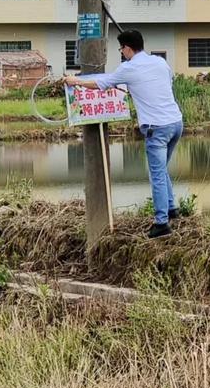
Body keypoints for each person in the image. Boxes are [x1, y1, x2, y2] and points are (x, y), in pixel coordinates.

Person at [64, 29, 183, 238]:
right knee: (162, 168)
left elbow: (101, 83)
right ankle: (172, 208)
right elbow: (166, 82)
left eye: (121, 49)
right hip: (176, 123)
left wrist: (76, 82)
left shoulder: (128, 68)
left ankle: (162, 223)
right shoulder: (159, 62)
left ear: (127, 48)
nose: (121, 52)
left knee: (157, 174)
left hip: (156, 128)